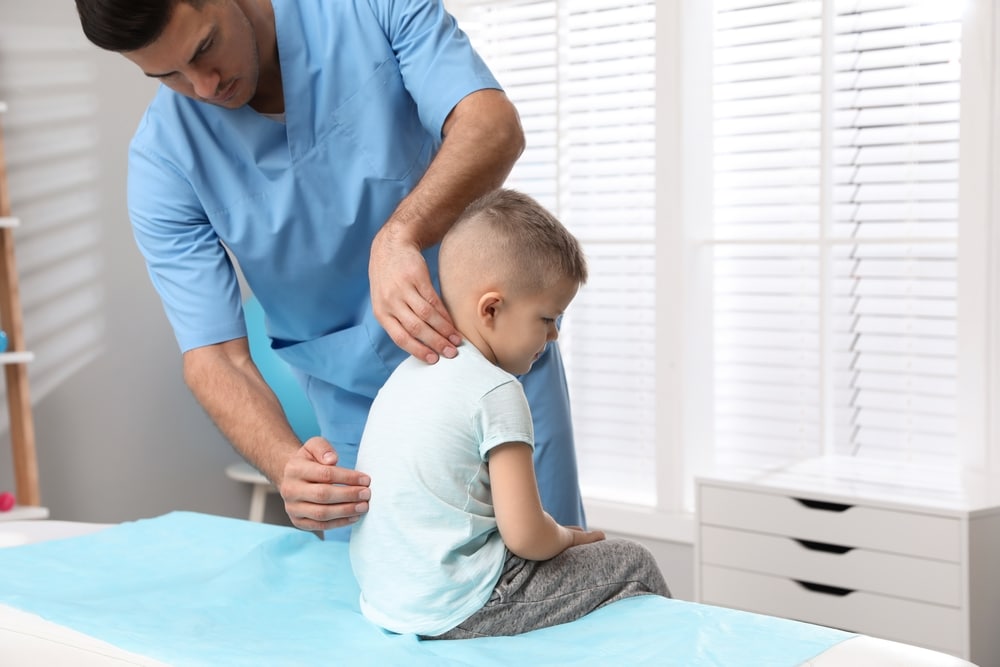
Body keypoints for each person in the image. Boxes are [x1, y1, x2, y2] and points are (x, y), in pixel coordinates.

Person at [73, 0, 587, 535]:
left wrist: (400, 235)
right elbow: (216, 358)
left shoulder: (369, 9)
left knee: (551, 577)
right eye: (168, 74)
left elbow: (492, 127)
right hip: (357, 412)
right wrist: (285, 465)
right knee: (387, 596)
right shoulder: (163, 161)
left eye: (204, 47)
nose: (204, 86)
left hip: (497, 365)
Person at [350, 189, 671, 639]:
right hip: (458, 605)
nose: (555, 335)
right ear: (492, 308)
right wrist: (566, 537)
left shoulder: (409, 372)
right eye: (547, 318)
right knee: (633, 564)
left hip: (388, 597)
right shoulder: (496, 390)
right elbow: (525, 537)